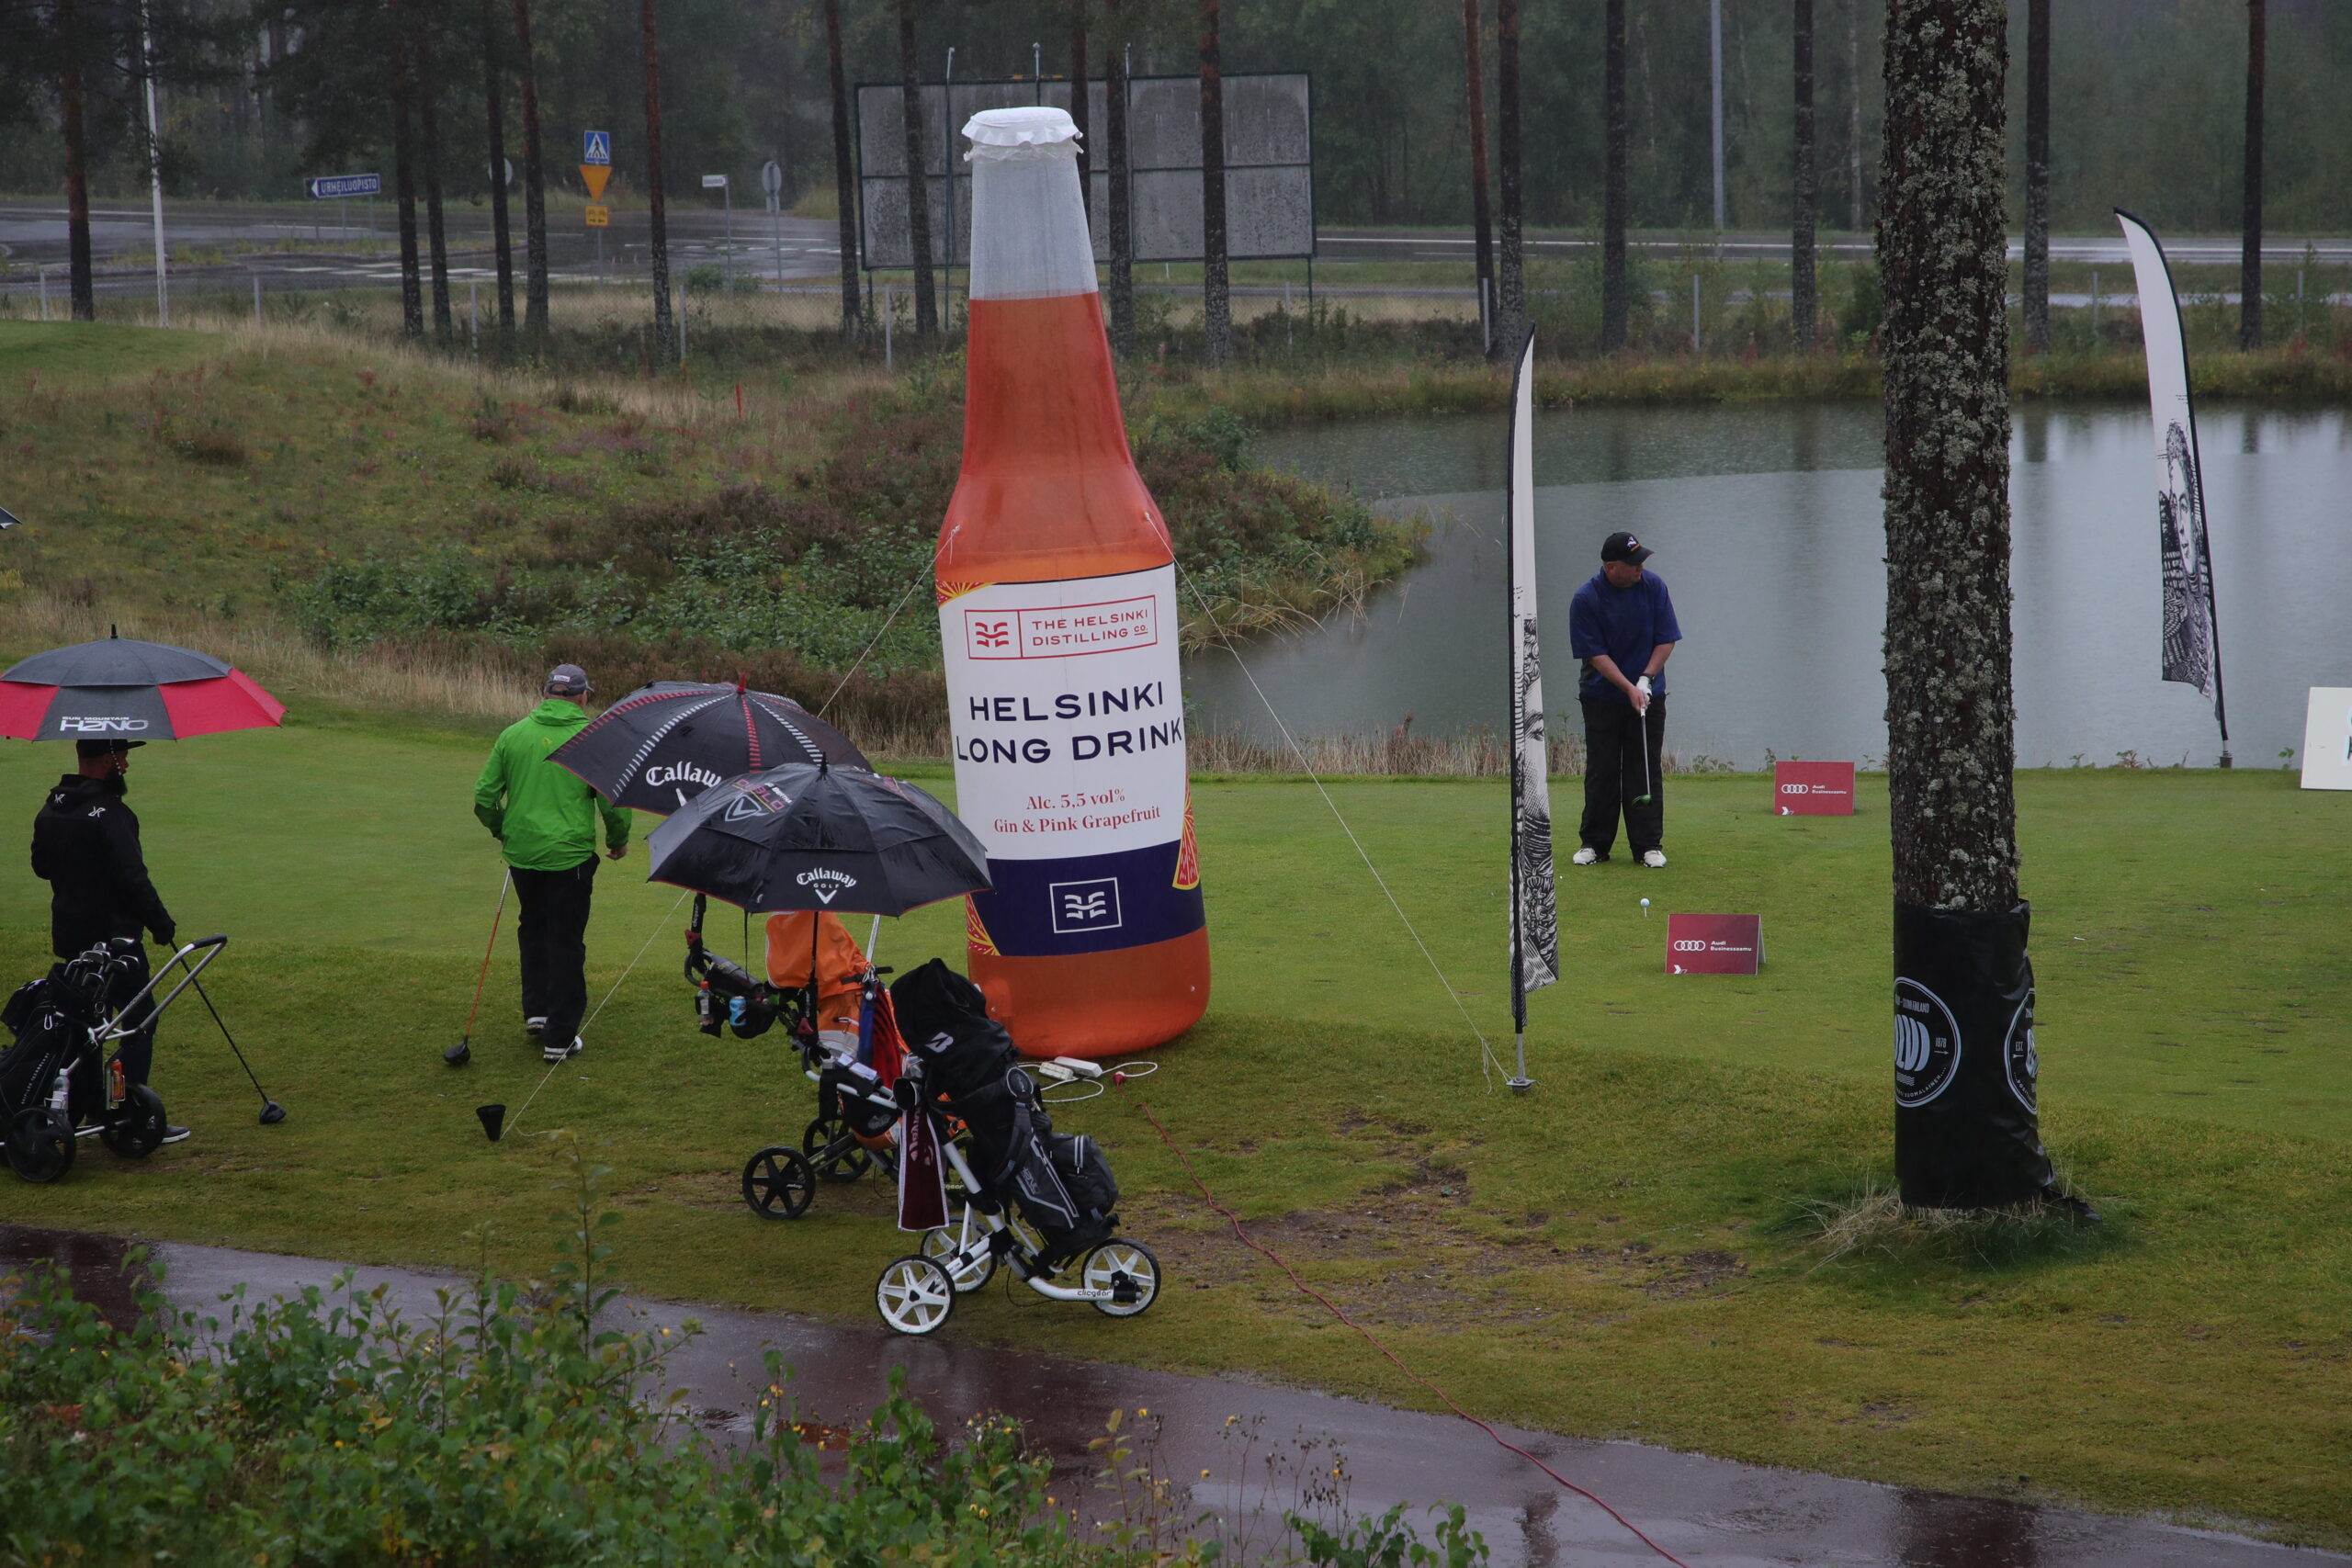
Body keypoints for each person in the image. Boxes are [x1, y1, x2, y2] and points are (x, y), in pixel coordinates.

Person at [29, 738, 187, 1141]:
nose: (126, 766)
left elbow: (41, 866)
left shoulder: (52, 808)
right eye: (123, 758)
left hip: (71, 936)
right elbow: (133, 878)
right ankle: (126, 1115)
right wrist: (160, 923)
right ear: (107, 760)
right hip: (116, 943)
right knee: (137, 1021)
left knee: (86, 1024)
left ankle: (87, 1108)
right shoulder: (113, 814)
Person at [474, 665, 631, 1064]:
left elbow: (484, 797)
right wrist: (617, 840)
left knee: (533, 928)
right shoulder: (594, 739)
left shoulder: (513, 734)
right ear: (583, 696)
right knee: (565, 940)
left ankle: (538, 1012)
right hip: (569, 856)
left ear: (546, 693)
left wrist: (504, 831)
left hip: (523, 854)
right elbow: (612, 801)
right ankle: (559, 1037)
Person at [1567, 530, 1682, 868]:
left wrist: (1645, 679)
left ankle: (1648, 846)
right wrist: (1628, 688)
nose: (1640, 568)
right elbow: (1595, 655)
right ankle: (1594, 844)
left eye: (1641, 562)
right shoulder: (1586, 598)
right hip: (1601, 697)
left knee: (1643, 770)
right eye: (1633, 564)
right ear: (1612, 567)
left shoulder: (1654, 587)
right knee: (1602, 770)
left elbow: (1666, 639)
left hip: (1648, 696)